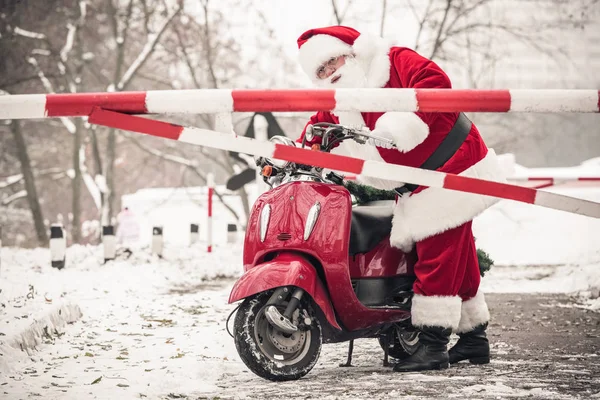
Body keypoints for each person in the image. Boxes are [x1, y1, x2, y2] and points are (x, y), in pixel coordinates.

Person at [296, 26, 505, 372]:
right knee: (459, 255)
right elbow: (318, 129)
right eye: (321, 71)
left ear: (350, 52)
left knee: (437, 255)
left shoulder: (394, 61)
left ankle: (433, 344)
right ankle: (474, 339)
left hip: (452, 168)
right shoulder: (340, 103)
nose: (331, 73)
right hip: (417, 186)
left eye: (332, 61)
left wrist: (406, 124)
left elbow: (436, 85)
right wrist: (301, 149)